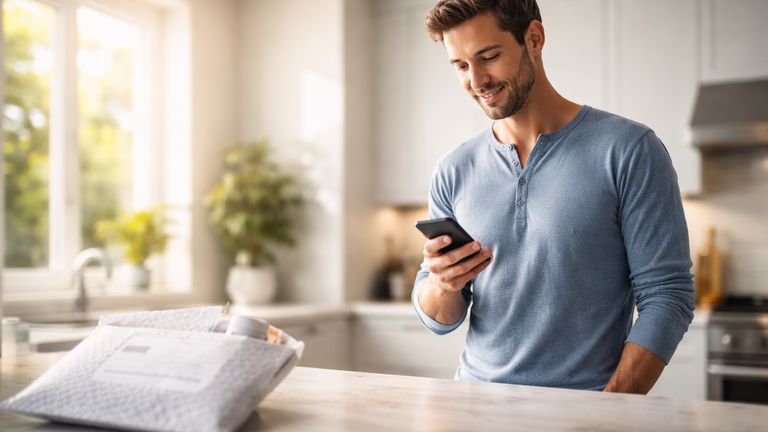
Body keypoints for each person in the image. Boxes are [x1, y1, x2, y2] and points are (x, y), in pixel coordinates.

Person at [412, 0, 694, 393]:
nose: (476, 80)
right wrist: (442, 285)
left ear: (534, 38)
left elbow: (669, 297)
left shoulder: (628, 150)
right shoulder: (453, 170)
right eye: (460, 66)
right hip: (474, 404)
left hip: (584, 410)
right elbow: (440, 320)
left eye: (489, 56)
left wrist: (608, 411)